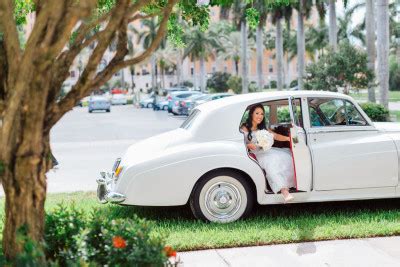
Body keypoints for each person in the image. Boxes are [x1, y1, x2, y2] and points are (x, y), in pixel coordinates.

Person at [240, 104, 295, 203]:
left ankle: (291, 187)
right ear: (251, 114)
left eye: (262, 114)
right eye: (257, 113)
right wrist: (249, 145)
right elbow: (240, 142)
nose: (260, 116)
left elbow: (275, 136)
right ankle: (285, 192)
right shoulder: (244, 128)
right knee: (271, 161)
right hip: (256, 154)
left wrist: (288, 138)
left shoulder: (263, 128)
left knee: (286, 156)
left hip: (267, 151)